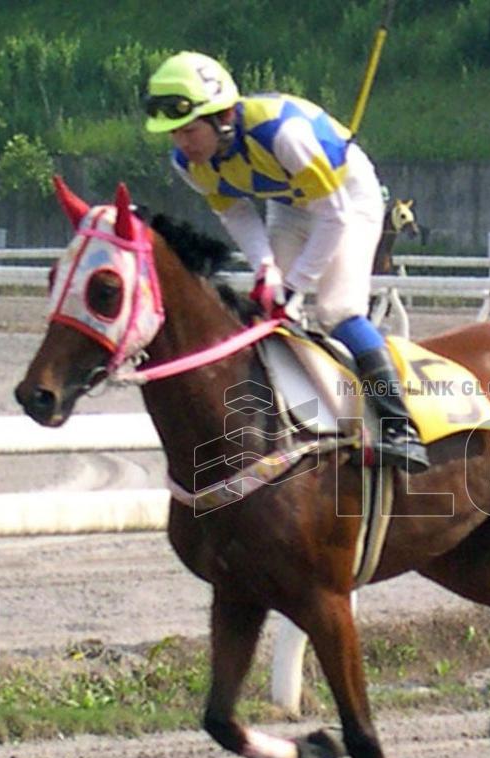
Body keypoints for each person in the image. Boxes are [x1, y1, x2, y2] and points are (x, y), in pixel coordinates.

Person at [144, 51, 429, 473]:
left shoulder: (283, 134)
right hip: (289, 205)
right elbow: (235, 213)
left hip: (347, 196)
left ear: (223, 117)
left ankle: (399, 427)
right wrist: (266, 270)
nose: (183, 143)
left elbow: (335, 216)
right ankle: (295, 424)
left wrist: (294, 284)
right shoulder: (189, 163)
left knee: (336, 308)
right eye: (174, 134)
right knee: (269, 314)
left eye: (189, 130)